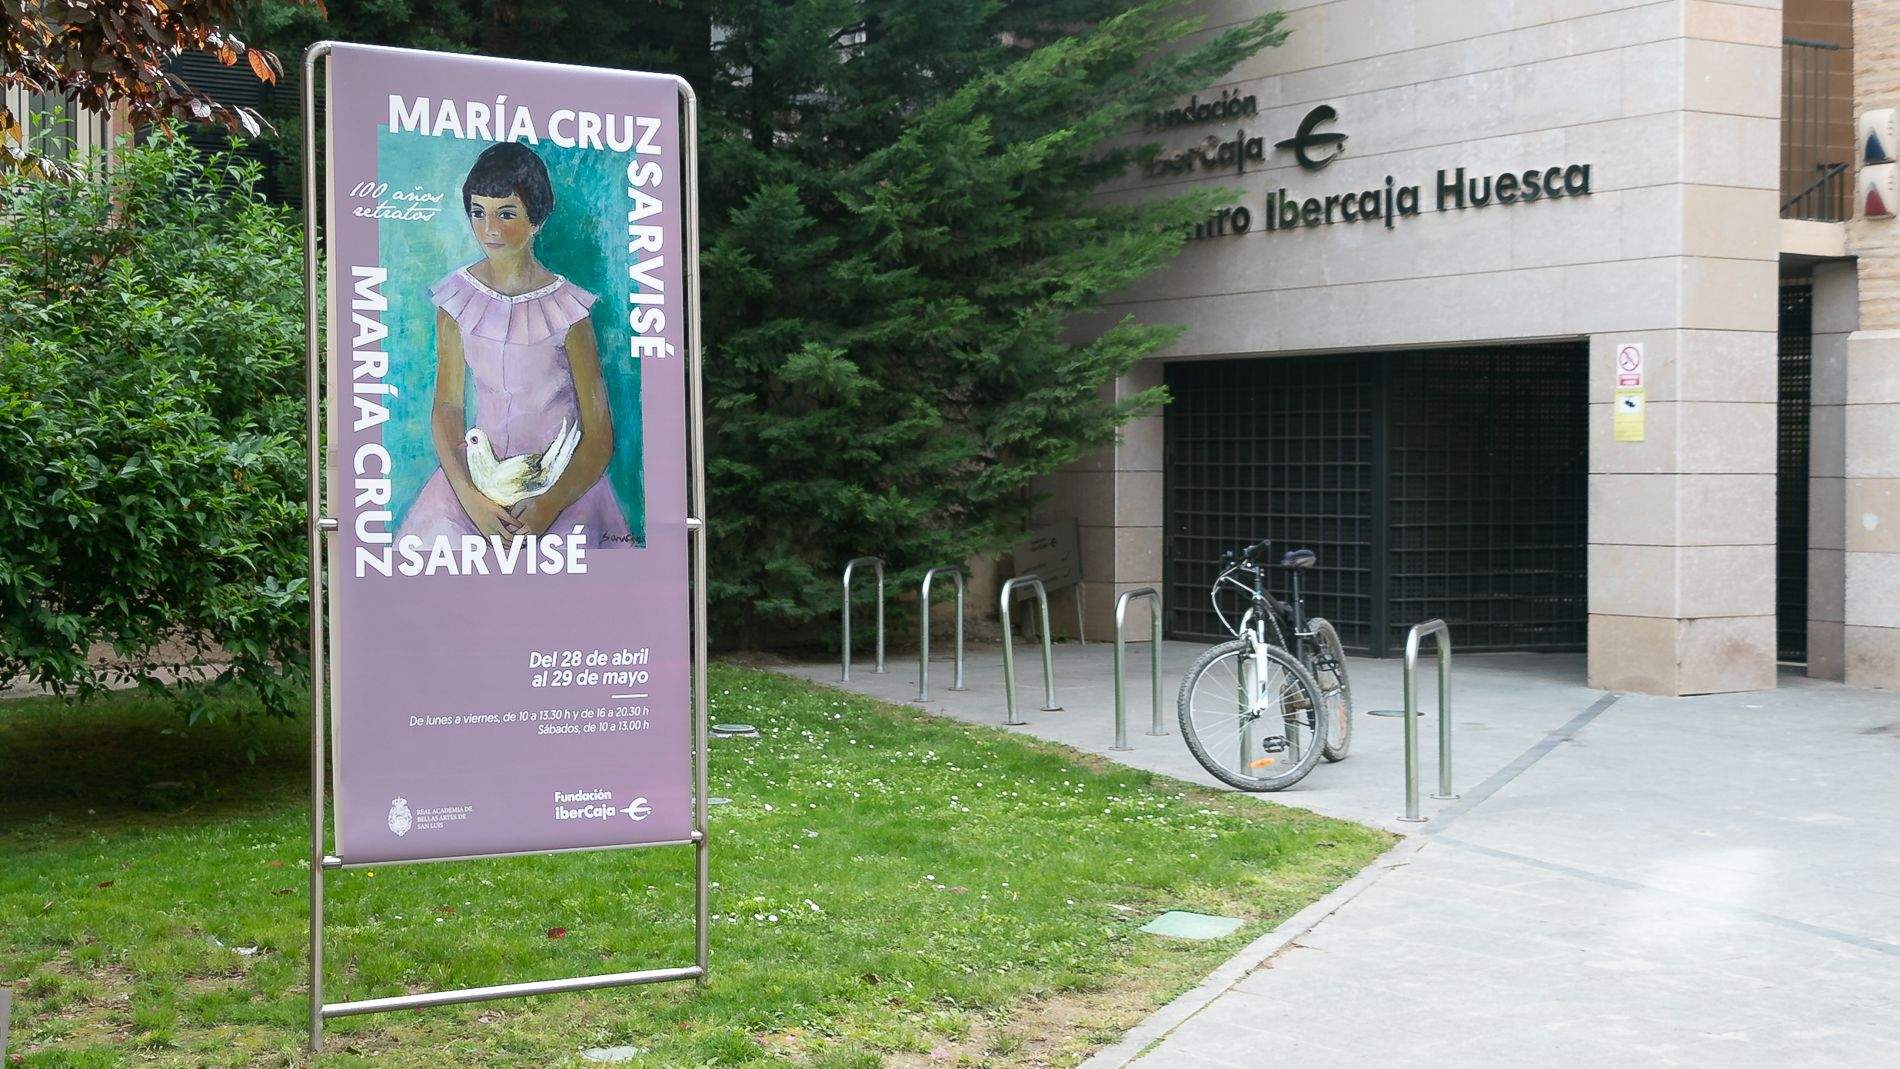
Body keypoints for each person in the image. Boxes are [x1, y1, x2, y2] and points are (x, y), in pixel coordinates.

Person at [396, 142, 630, 544]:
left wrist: (550, 502)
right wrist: (471, 500)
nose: (489, 229)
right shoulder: (455, 300)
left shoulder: (569, 310)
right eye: (478, 212)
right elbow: (448, 407)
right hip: (479, 488)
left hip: (559, 490)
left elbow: (599, 433)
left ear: (535, 219)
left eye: (506, 214)